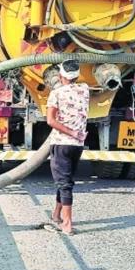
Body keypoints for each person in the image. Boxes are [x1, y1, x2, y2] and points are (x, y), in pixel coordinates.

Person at [45, 59, 89, 235]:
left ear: (61, 75)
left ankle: (67, 224)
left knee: (64, 184)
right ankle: (56, 214)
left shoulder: (56, 93)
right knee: (64, 180)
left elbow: (50, 120)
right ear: (77, 75)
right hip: (77, 146)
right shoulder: (85, 90)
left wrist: (71, 132)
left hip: (61, 144)